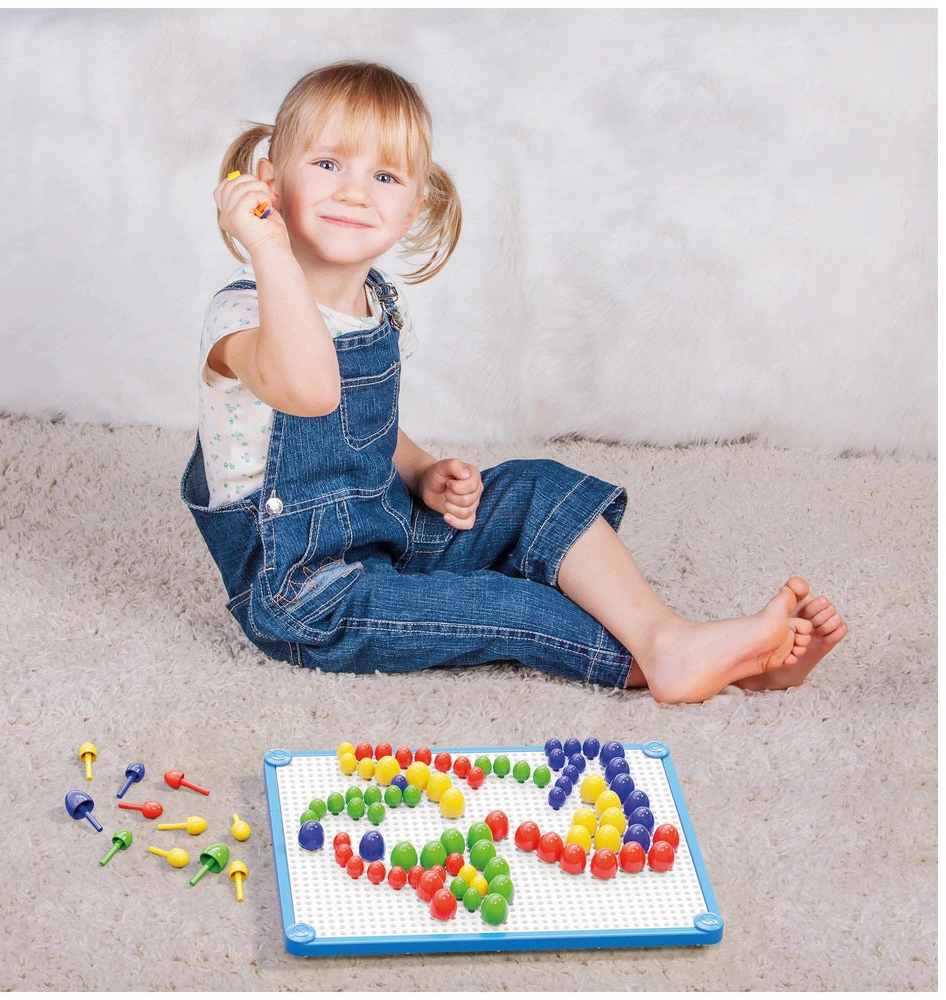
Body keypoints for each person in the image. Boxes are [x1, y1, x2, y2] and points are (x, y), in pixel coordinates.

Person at [181, 60, 846, 704]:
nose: (354, 191)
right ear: (268, 182)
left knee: (534, 486)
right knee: (502, 606)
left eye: (384, 175)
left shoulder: (380, 302)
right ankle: (670, 665)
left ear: (413, 207)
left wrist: (419, 471)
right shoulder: (241, 316)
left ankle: (670, 638)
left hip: (387, 529)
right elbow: (311, 392)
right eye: (327, 164)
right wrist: (267, 247)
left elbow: (361, 425)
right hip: (310, 594)